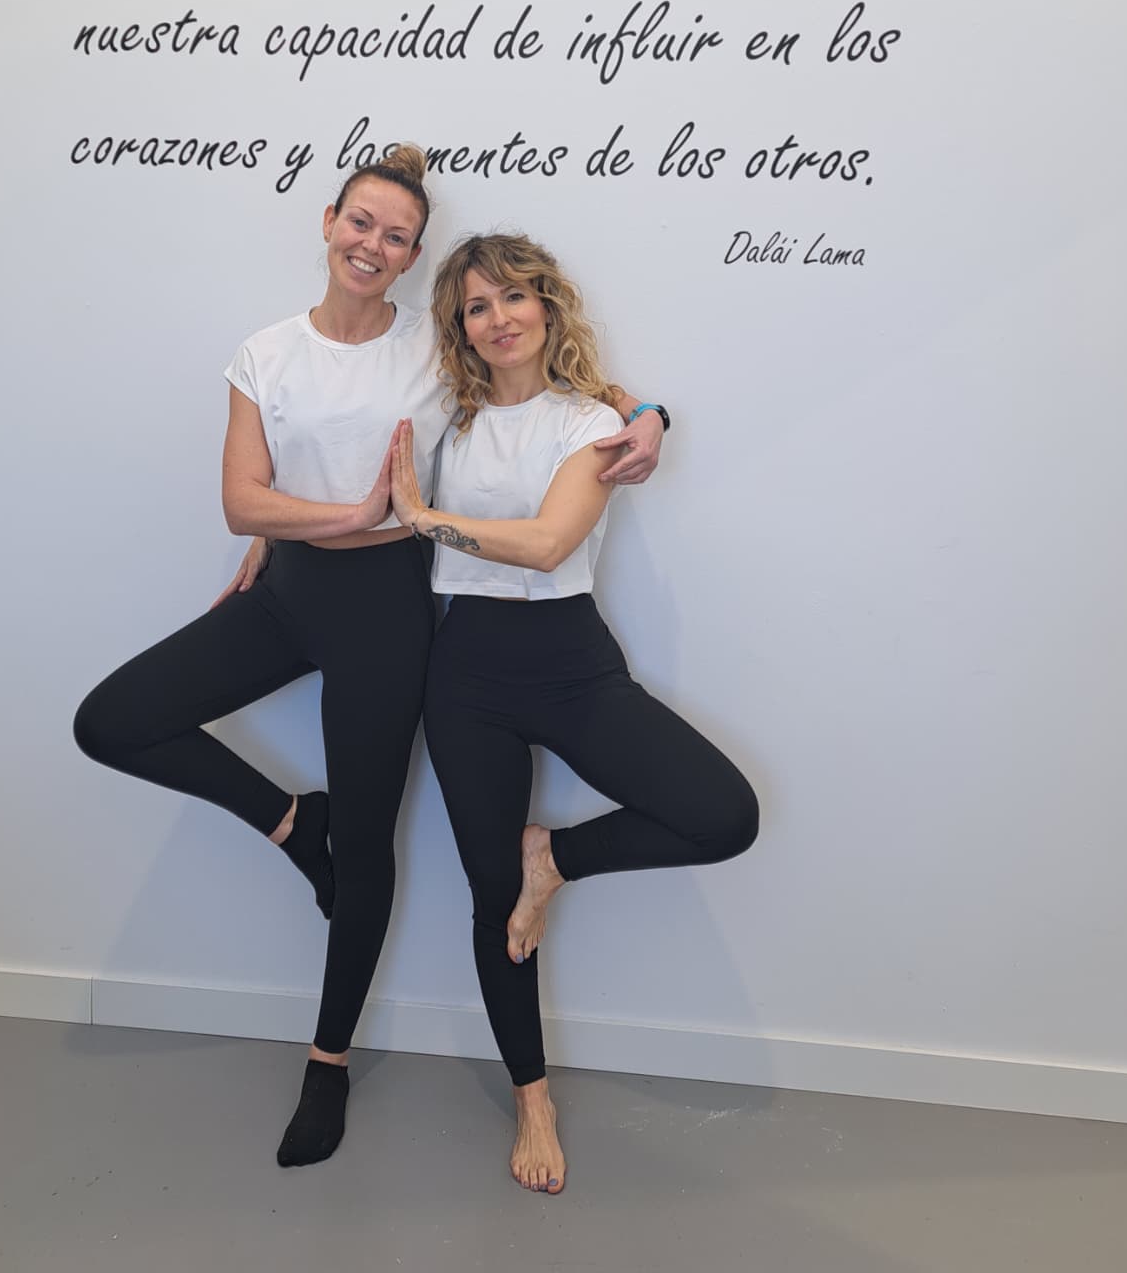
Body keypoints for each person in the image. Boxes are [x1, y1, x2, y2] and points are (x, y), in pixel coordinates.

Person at [72, 151, 666, 1169]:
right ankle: (291, 822)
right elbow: (241, 501)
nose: (372, 245)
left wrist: (649, 414)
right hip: (284, 595)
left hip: (390, 615)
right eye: (360, 223)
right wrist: (331, 519)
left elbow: (563, 380)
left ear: (411, 255)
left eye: (395, 236)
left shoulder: (435, 347)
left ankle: (327, 1060)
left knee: (367, 847)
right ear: (328, 221)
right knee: (113, 719)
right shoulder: (264, 352)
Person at [388, 232, 759, 1196]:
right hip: (464, 673)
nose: (498, 318)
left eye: (513, 297)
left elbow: (550, 543)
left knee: (722, 815)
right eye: (475, 306)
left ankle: (552, 857)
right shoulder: (445, 416)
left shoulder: (588, 420)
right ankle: (532, 1098)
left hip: (569, 664)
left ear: (546, 306)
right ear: (459, 328)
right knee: (490, 901)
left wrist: (425, 519)